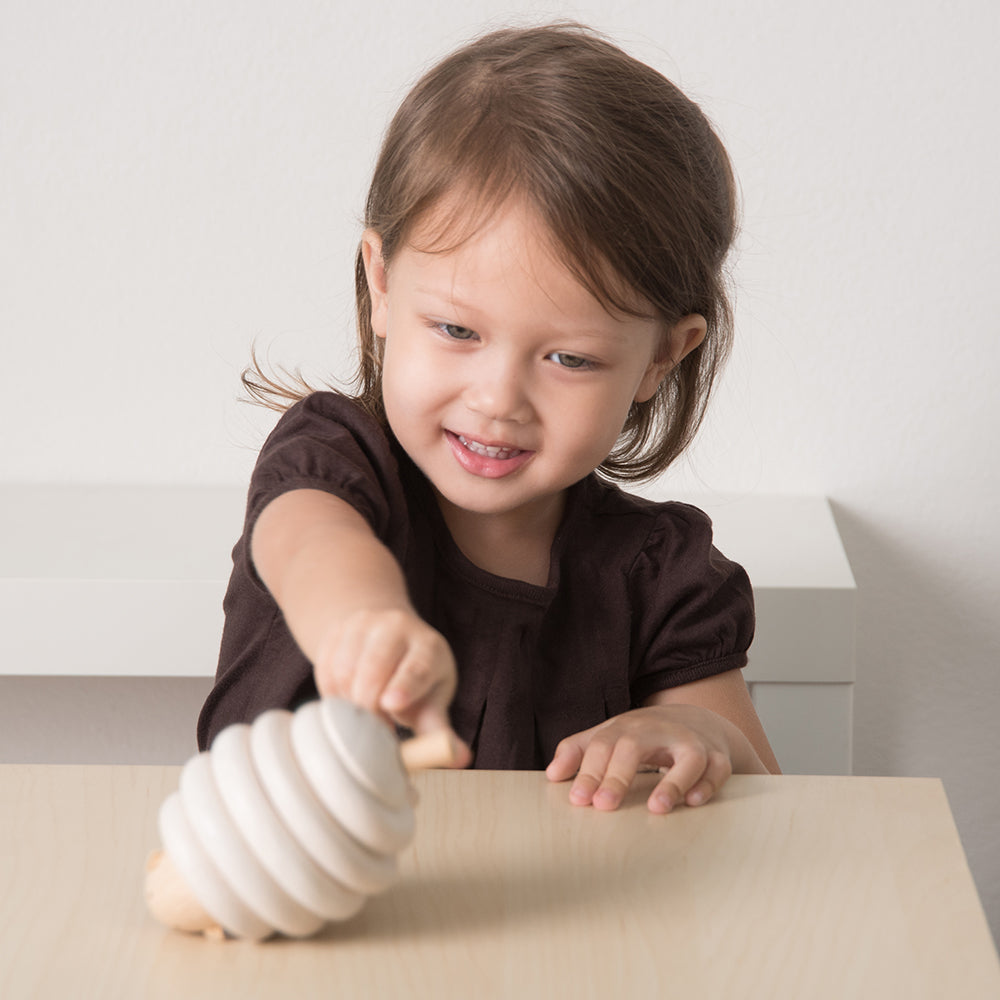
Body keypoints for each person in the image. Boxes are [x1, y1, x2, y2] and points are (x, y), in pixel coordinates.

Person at [197, 22, 780, 814]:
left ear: (660, 360)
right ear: (383, 287)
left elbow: (767, 801)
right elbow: (312, 550)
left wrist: (698, 738)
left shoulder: (658, 574)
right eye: (458, 331)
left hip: (573, 934)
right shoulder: (333, 463)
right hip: (311, 923)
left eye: (569, 359)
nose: (498, 399)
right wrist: (367, 623)